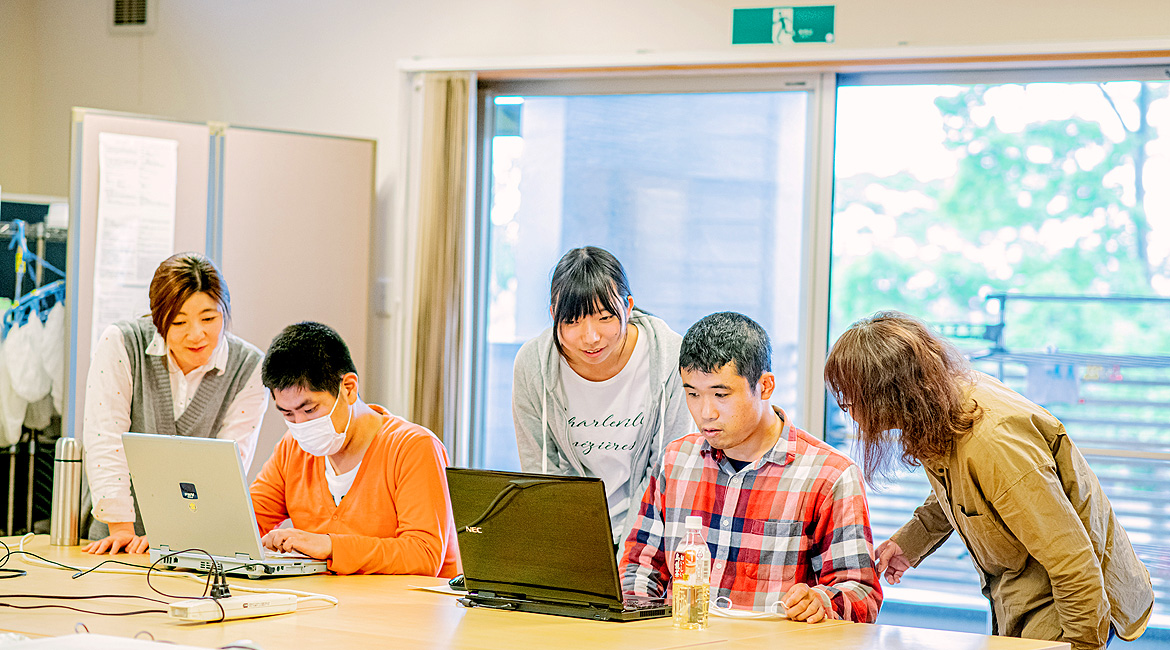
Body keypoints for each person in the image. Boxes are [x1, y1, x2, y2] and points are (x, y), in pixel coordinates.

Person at [824, 311, 1154, 650]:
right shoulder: (944, 404)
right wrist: (911, 541)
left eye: (853, 400)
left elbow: (1073, 563)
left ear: (888, 394)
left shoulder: (993, 443)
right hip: (1028, 594)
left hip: (1070, 606)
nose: (851, 412)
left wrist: (1082, 646)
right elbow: (966, 489)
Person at [622, 312, 882, 623]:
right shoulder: (676, 460)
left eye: (721, 395)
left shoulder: (829, 475)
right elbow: (641, 565)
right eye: (692, 393)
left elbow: (861, 594)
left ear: (765, 386)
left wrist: (821, 602)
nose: (705, 413)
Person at [82, 252, 268, 555]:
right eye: (179, 322)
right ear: (158, 320)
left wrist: (178, 537)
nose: (197, 334)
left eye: (209, 318)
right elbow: (105, 439)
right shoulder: (122, 343)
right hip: (116, 535)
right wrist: (122, 530)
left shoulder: (249, 368)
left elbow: (225, 468)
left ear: (225, 311)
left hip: (196, 544)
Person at [249, 321, 460, 576]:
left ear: (348, 388)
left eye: (310, 409)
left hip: (405, 610)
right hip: (325, 607)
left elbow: (423, 554)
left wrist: (330, 546)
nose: (300, 425)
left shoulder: (413, 448)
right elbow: (247, 522)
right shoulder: (292, 448)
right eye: (288, 414)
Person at [513, 246, 691, 546]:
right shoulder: (534, 365)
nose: (590, 337)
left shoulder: (671, 359)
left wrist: (627, 558)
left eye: (605, 318)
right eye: (572, 322)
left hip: (652, 539)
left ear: (628, 306)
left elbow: (661, 474)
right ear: (555, 315)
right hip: (573, 539)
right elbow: (544, 474)